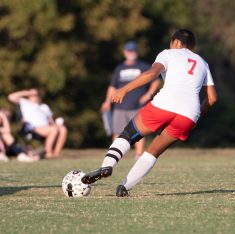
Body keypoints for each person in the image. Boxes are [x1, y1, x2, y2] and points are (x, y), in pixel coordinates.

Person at [82, 29, 217, 197]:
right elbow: (212, 99)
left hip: (164, 104)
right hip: (189, 114)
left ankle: (107, 166)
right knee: (153, 151)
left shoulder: (168, 53)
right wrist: (194, 116)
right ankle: (124, 187)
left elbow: (151, 74)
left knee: (128, 134)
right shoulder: (203, 62)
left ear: (176, 42)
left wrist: (124, 89)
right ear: (192, 46)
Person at [100, 40, 160, 158]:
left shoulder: (143, 66)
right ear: (124, 52)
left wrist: (148, 94)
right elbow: (113, 86)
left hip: (137, 105)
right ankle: (114, 155)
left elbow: (156, 80)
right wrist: (107, 101)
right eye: (129, 51)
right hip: (120, 105)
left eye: (133, 50)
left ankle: (138, 154)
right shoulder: (119, 68)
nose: (131, 53)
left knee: (139, 131)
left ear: (136, 52)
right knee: (117, 131)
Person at [8, 89, 68, 158]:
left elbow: (51, 121)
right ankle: (48, 153)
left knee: (63, 129)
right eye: (32, 95)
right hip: (34, 127)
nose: (35, 96)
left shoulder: (44, 106)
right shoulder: (25, 103)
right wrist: (28, 92)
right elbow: (11, 97)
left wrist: (57, 125)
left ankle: (56, 153)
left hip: (47, 127)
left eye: (36, 95)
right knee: (53, 130)